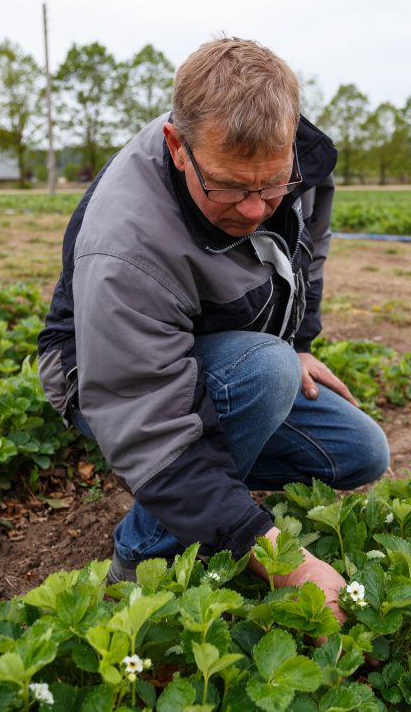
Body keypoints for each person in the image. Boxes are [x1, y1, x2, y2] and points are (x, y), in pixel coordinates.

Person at [37, 37, 389, 614]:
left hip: (220, 349)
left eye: (271, 186)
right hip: (103, 371)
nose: (255, 208)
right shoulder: (125, 245)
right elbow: (146, 418)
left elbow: (309, 255)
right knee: (263, 374)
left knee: (359, 452)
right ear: (178, 147)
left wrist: (299, 343)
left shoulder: (301, 162)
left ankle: (209, 493)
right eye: (228, 186)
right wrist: (278, 557)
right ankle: (143, 553)